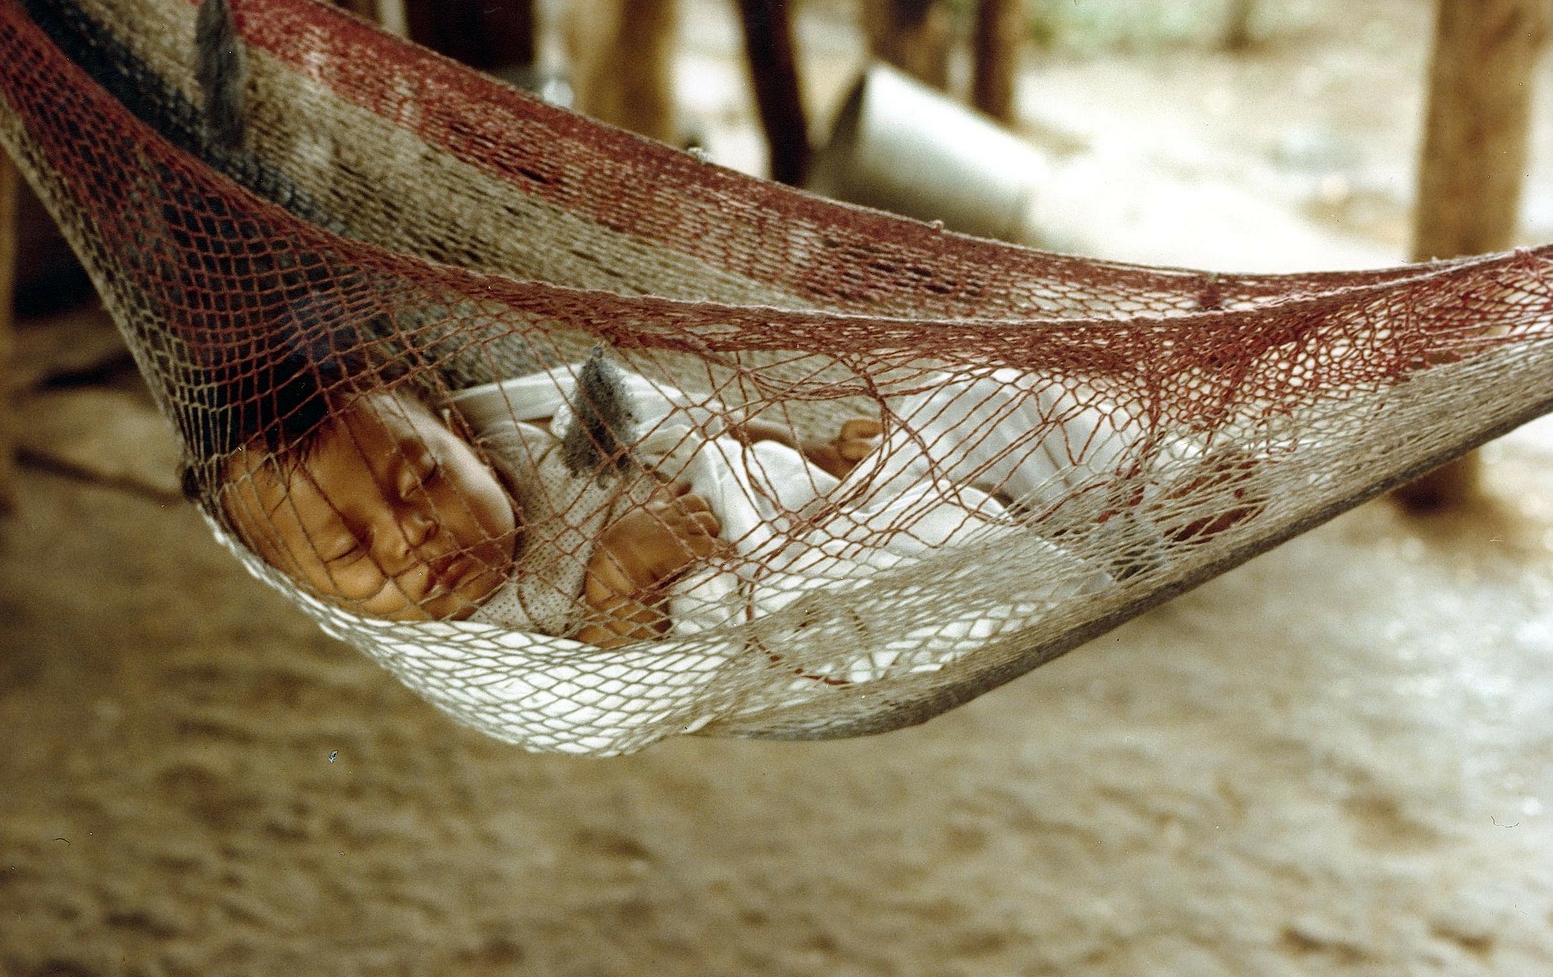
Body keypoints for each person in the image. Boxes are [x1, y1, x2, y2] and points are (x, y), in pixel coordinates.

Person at [211, 340, 1232, 650]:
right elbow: (602, 697)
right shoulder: (483, 633)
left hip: (794, 505)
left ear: (464, 433)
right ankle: (1076, 549)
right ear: (319, 599)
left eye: (421, 476)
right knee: (930, 532)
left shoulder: (523, 424)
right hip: (753, 594)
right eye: (350, 555)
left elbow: (688, 427)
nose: (409, 535)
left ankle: (1174, 491)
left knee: (981, 391)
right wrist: (621, 574)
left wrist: (816, 459)